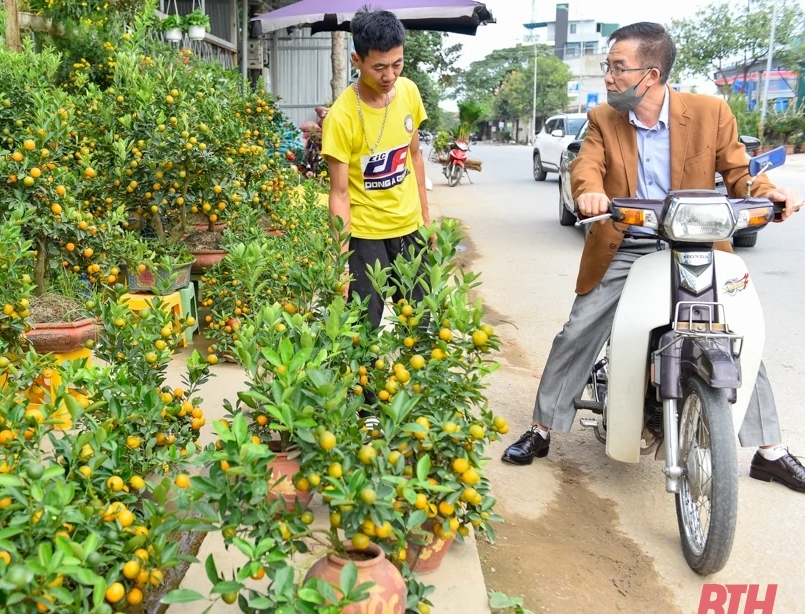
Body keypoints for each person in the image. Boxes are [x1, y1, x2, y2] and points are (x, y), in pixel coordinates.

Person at [501, 22, 805, 493]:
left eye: (618, 68)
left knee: (735, 330)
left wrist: (771, 194)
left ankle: (769, 450)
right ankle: (542, 429)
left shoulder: (711, 111)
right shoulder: (604, 118)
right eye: (608, 66)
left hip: (696, 244)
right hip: (629, 240)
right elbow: (587, 166)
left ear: (652, 73)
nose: (608, 77)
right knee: (582, 328)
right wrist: (592, 194)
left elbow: (741, 174)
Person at [321, 9, 431, 327]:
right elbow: (339, 194)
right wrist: (340, 263)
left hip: (409, 230)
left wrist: (425, 218)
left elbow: (415, 156)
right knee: (362, 331)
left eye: (397, 64)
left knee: (420, 325)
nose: (389, 76)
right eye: (379, 67)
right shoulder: (341, 117)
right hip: (366, 236)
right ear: (357, 61)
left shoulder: (409, 92)